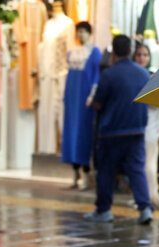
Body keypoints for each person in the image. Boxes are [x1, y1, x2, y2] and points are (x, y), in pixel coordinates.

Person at [84, 34, 153, 225]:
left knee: (106, 171)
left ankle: (104, 210)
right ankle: (145, 208)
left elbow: (98, 103)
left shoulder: (108, 74)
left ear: (113, 52)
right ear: (130, 51)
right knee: (137, 170)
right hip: (137, 129)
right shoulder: (143, 73)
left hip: (111, 131)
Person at [61, 21, 100, 190]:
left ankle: (85, 173)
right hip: (71, 99)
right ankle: (74, 173)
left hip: (85, 100)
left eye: (84, 31)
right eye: (79, 32)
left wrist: (92, 94)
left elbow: (96, 76)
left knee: (83, 135)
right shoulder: (72, 52)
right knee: (70, 134)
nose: (81, 35)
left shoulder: (94, 52)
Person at [133, 43, 159, 209]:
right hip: (141, 125)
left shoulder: (152, 75)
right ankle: (147, 195)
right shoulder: (137, 74)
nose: (142, 58)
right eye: (139, 55)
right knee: (145, 162)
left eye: (145, 55)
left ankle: (150, 196)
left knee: (148, 162)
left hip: (150, 126)